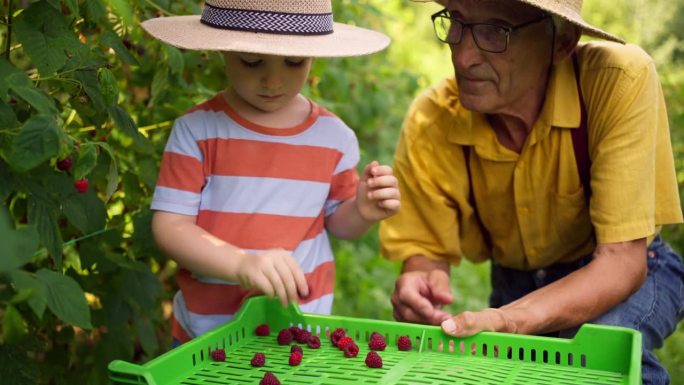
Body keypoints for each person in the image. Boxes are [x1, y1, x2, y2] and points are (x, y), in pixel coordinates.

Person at [380, 0, 683, 383]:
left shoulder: (616, 79)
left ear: (562, 40)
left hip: (629, 267)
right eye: (457, 22)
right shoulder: (434, 119)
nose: (464, 55)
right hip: (516, 282)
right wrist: (421, 278)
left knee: (595, 358)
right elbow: (425, 254)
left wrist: (509, 319)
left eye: (495, 32)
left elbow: (622, 261)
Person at [142, 0, 400, 344]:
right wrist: (242, 264)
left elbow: (339, 223)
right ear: (223, 50)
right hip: (209, 336)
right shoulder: (198, 131)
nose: (273, 80)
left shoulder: (334, 137)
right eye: (252, 61)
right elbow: (170, 227)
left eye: (294, 62)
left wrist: (363, 211)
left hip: (300, 330)